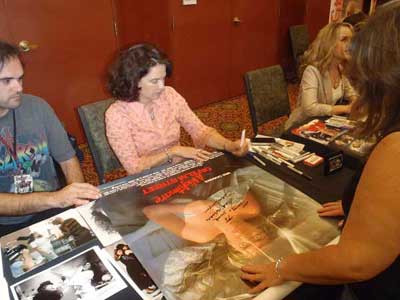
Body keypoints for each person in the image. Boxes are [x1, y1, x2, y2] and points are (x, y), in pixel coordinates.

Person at [241, 3, 400, 300]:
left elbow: (356, 260)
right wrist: (360, 203)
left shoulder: (396, 146)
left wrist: (282, 267)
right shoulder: (314, 71)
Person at [105, 43, 249, 175]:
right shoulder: (116, 115)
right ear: (133, 81)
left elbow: (199, 130)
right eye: (154, 81)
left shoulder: (170, 95)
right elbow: (134, 167)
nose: (162, 87)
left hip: (179, 168)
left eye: (163, 79)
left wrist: (228, 145)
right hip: (147, 177)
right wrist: (173, 151)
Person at [0, 41, 101, 225]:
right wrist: (55, 198)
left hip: (52, 209)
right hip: (6, 223)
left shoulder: (38, 107)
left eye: (20, 79)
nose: (19, 88)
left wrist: (79, 201)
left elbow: (67, 159)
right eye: (7, 81)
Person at [284, 22, 359, 130]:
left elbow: (351, 93)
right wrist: (345, 108)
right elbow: (310, 108)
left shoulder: (340, 68)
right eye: (344, 40)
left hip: (322, 124)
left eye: (351, 40)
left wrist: (355, 100)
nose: (350, 44)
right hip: (301, 126)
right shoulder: (312, 71)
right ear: (329, 44)